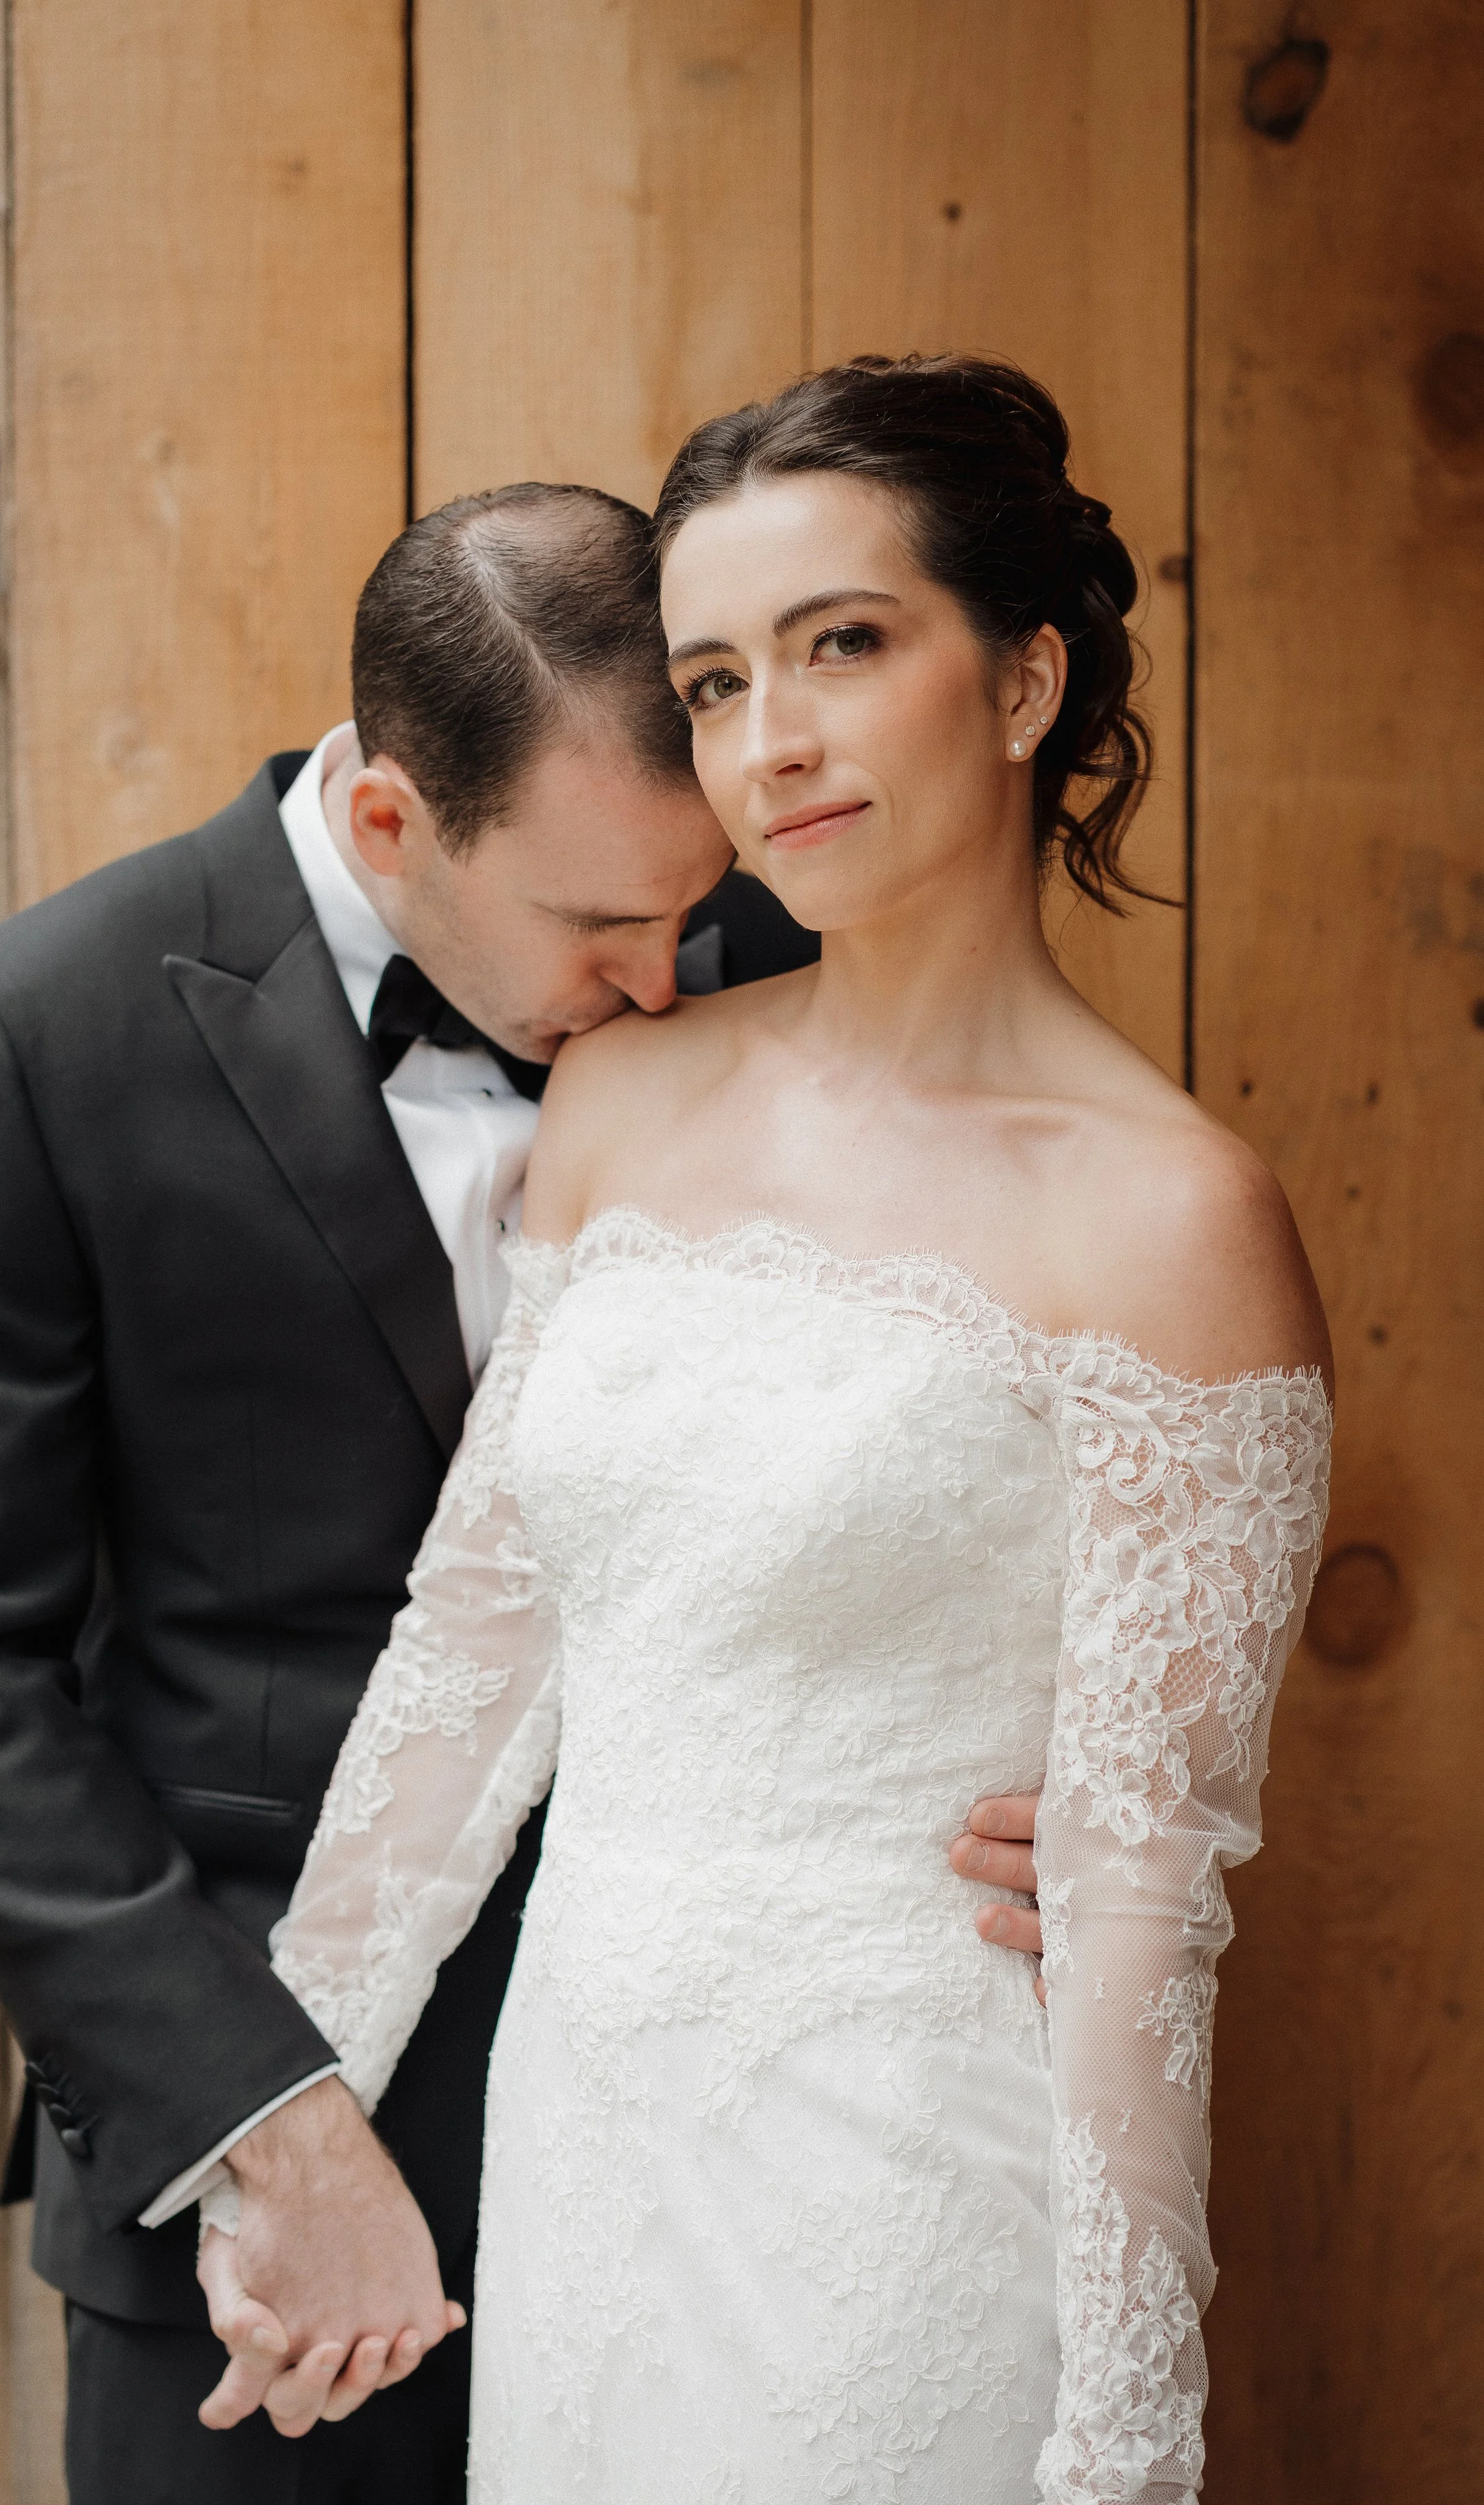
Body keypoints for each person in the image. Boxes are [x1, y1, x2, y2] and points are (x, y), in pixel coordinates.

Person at [0, 476, 1041, 2504]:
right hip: (269, 2156)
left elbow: (969, 1428)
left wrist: (1080, 1776)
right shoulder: (35, 1040)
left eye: (690, 904)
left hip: (735, 2148)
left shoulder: (775, 960)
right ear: (390, 818)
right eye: (599, 924)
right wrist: (276, 2122)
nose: (671, 980)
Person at [235, 359, 1334, 2502]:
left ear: (1021, 683)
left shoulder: (1176, 1222)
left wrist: (1124, 2429)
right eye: (717, 679)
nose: (771, 744)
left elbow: (1129, 1911)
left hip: (902, 2179)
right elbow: (480, 1650)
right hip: (581, 2138)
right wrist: (298, 2103)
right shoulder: (625, 1091)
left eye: (844, 645)